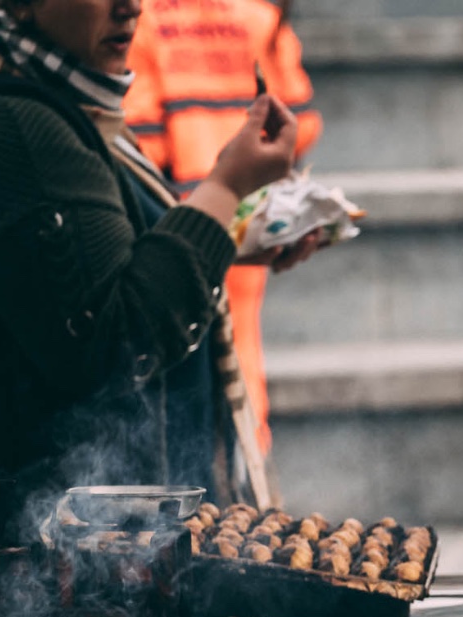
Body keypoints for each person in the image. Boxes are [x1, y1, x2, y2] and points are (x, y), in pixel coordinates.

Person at [0, 0, 299, 549]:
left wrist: (223, 233)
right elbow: (116, 335)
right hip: (67, 560)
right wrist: (226, 187)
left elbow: (101, 258)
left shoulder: (63, 98)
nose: (130, 5)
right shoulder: (24, 125)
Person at [123, 0, 324, 456]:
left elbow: (141, 141)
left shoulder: (143, 16)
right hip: (249, 223)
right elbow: (300, 125)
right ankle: (247, 467)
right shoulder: (258, 15)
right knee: (242, 358)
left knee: (180, 372)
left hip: (177, 227)